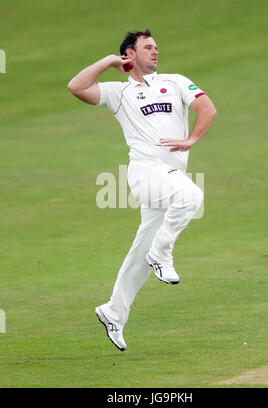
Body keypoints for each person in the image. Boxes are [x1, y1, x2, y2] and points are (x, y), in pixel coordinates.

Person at [68, 29, 217, 351]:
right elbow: (76, 87)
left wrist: (191, 140)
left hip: (169, 174)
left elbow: (208, 109)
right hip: (146, 174)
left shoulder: (176, 81)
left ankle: (113, 312)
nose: (155, 52)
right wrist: (109, 62)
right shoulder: (118, 93)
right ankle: (162, 253)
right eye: (147, 48)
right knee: (191, 197)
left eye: (156, 47)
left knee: (140, 254)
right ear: (129, 55)